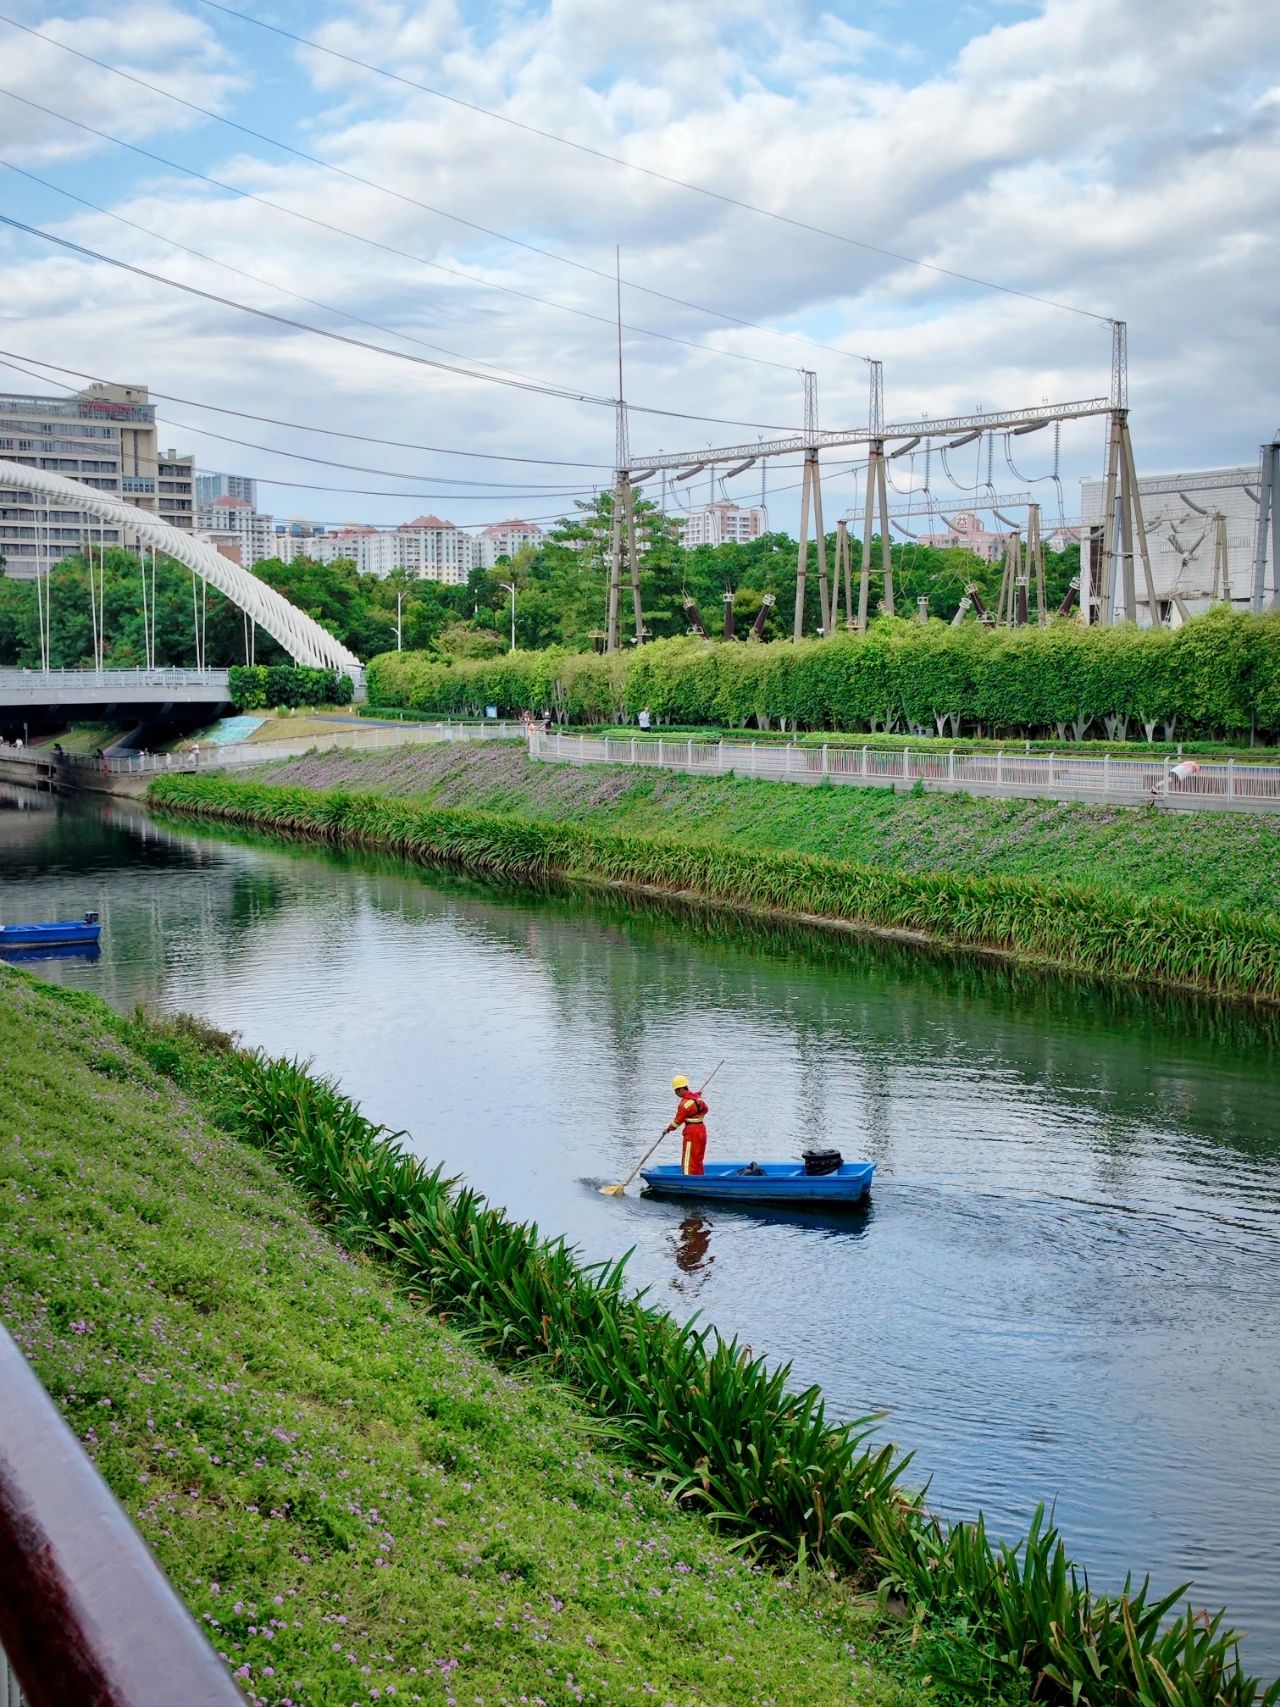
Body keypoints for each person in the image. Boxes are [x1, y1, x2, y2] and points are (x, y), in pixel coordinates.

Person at [664, 1074, 709, 1176]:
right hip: (702, 1130)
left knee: (688, 1159)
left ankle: (687, 1178)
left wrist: (668, 1129)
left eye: (676, 1091)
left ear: (680, 1090)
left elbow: (677, 1122)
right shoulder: (698, 1099)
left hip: (692, 1132)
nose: (676, 1094)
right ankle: (699, 1176)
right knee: (698, 1157)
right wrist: (696, 1099)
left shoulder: (685, 1104)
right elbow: (706, 1110)